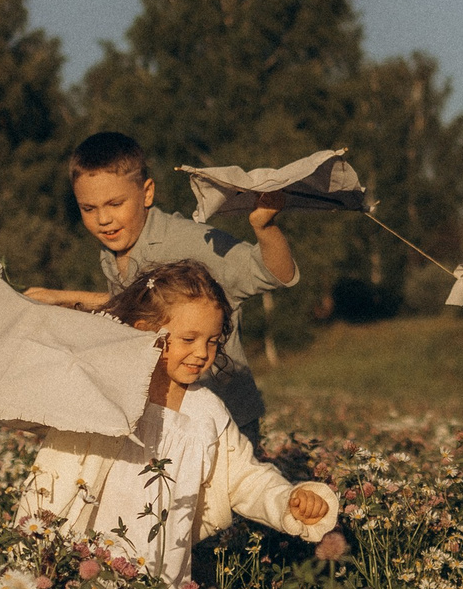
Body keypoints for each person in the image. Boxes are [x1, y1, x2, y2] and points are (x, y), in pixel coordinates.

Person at [14, 260, 339, 584]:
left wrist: (287, 500)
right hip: (79, 559)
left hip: (157, 571)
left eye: (212, 341)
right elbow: (50, 458)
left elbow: (245, 479)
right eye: (189, 339)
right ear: (146, 332)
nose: (202, 352)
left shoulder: (207, 413)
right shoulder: (104, 392)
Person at [25, 130, 297, 438]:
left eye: (115, 203)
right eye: (89, 208)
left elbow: (274, 273)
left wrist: (265, 227)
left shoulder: (188, 241)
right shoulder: (114, 248)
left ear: (147, 193)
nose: (103, 219)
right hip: (167, 416)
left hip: (223, 419)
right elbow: (128, 302)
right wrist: (57, 298)